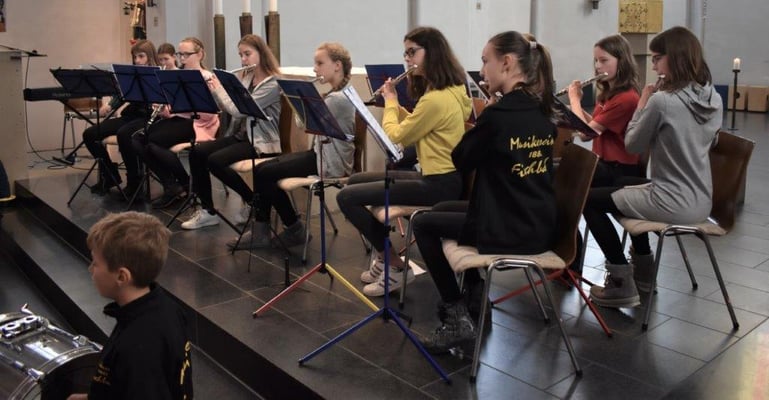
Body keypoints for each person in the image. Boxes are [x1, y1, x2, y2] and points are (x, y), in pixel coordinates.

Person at [412, 31, 557, 353]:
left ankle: (456, 318)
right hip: (538, 222)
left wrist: (486, 117)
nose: (481, 71)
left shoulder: (499, 114)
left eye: (485, 61)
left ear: (506, 63)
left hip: (510, 228)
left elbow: (461, 159)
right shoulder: (543, 108)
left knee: (422, 223)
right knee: (442, 210)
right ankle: (475, 294)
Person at [585, 26, 722, 308]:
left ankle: (621, 282)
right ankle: (645, 275)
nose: (654, 65)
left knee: (588, 201)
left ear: (676, 59)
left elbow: (633, 144)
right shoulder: (714, 99)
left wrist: (644, 103)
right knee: (621, 185)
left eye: (658, 58)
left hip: (670, 201)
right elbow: (713, 139)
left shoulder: (662, 101)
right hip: (701, 200)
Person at [336, 26, 472, 297]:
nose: (407, 59)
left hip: (439, 185)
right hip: (440, 177)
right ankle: (384, 257)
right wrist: (396, 107)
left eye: (412, 52)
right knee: (356, 180)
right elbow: (420, 122)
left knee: (346, 198)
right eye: (406, 53)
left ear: (432, 52)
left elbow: (396, 136)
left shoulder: (435, 99)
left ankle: (395, 265)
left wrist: (389, 102)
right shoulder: (452, 90)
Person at [229, 41, 355, 248]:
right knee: (262, 169)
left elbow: (307, 125)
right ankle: (277, 228)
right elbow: (306, 123)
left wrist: (303, 100)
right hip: (319, 154)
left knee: (265, 173)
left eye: (319, 63)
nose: (315, 69)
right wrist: (302, 101)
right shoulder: (336, 94)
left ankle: (288, 228)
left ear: (337, 65)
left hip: (329, 163)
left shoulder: (338, 99)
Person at [66, 211, 192, 400]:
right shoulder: (167, 307)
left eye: (95, 263)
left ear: (121, 276)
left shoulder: (137, 347)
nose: (90, 269)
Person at [180, 34, 282, 230]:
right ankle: (208, 211)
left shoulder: (272, 83)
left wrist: (218, 88)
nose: (243, 60)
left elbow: (238, 110)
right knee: (197, 152)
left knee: (215, 161)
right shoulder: (248, 78)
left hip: (260, 141)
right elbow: (226, 106)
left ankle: (251, 200)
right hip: (240, 136)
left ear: (261, 53)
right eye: (241, 55)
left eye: (247, 54)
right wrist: (214, 91)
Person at [566, 34, 642, 273]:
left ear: (622, 61)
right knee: (567, 184)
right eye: (596, 61)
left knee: (577, 196)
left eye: (604, 60)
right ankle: (571, 260)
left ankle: (616, 267)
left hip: (620, 172)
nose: (598, 66)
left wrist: (574, 101)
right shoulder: (610, 95)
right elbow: (595, 126)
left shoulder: (626, 98)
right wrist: (575, 109)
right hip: (606, 167)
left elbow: (586, 134)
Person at [134, 37, 220, 209]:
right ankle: (174, 185)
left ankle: (183, 184)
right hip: (179, 120)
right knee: (138, 139)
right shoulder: (177, 76)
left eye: (186, 55)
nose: (182, 59)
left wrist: (179, 107)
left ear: (200, 54)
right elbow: (173, 108)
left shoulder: (208, 77)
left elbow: (210, 113)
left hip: (198, 123)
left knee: (153, 141)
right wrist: (163, 108)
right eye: (180, 55)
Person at [82, 39, 157, 196]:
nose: (137, 61)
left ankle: (134, 182)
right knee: (90, 134)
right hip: (132, 115)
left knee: (124, 134)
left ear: (150, 56)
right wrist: (110, 105)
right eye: (135, 57)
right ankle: (110, 175)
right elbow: (122, 93)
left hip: (150, 118)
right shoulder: (131, 73)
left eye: (141, 56)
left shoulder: (157, 74)